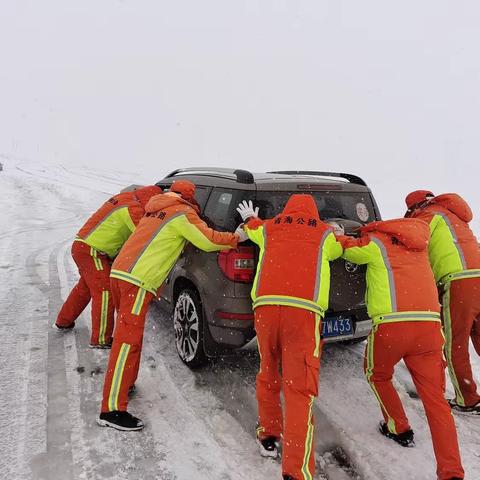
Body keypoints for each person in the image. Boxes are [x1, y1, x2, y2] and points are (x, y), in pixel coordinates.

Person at [97, 180, 243, 431]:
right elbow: (209, 241)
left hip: (121, 274)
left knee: (130, 338)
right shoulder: (182, 213)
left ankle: (125, 383)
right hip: (137, 281)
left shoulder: (155, 209)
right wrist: (237, 236)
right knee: (125, 343)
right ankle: (111, 410)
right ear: (189, 197)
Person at [338, 218, 464, 480]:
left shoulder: (375, 243)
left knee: (377, 374)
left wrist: (339, 235)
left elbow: (348, 251)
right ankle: (451, 471)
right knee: (436, 401)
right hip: (429, 328)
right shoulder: (420, 249)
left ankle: (399, 427)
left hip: (391, 327)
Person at [238, 196, 343, 480]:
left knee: (268, 372)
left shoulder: (269, 228)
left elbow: (251, 227)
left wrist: (249, 219)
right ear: (313, 212)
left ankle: (268, 436)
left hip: (266, 309)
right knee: (299, 391)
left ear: (287, 209)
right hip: (304, 313)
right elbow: (339, 249)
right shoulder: (323, 233)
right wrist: (338, 231)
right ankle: (296, 471)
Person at [54, 185, 162, 348]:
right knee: (105, 292)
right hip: (93, 251)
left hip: (84, 246)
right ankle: (101, 339)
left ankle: (63, 321)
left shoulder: (127, 198)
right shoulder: (135, 210)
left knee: (84, 289)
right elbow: (145, 236)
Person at [406, 190, 480, 414]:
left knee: (455, 343)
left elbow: (413, 243)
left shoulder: (427, 216)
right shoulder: (454, 215)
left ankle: (467, 399)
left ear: (415, 207)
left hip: (459, 281)